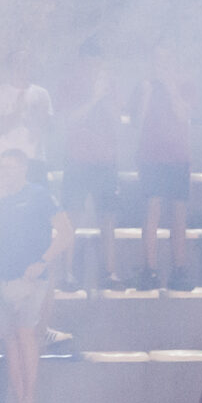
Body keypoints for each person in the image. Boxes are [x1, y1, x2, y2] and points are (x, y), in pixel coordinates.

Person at [0, 149, 72, 403]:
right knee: (10, 341)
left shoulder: (39, 195)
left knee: (25, 335)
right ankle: (20, 402)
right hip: (3, 278)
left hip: (31, 279)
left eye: (10, 167)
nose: (5, 173)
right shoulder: (2, 200)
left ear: (23, 168)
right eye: (2, 168)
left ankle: (29, 401)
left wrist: (42, 262)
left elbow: (66, 233)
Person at [130, 38, 196, 290]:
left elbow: (183, 115)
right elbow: (136, 122)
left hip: (178, 156)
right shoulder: (144, 86)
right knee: (152, 211)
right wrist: (147, 94)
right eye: (157, 59)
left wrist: (170, 87)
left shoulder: (185, 84)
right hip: (150, 156)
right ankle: (150, 269)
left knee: (178, 213)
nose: (161, 64)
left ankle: (179, 269)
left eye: (166, 59)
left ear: (174, 61)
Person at [58, 39, 122, 292]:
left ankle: (110, 273)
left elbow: (117, 120)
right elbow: (70, 120)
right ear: (80, 63)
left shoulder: (110, 87)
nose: (93, 69)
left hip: (106, 162)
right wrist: (94, 98)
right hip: (77, 160)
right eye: (89, 64)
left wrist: (104, 96)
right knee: (71, 217)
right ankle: (67, 273)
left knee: (108, 219)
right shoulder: (69, 85)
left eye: (97, 65)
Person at [0, 50, 53, 162]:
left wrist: (35, 116)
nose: (21, 66)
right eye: (17, 62)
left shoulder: (42, 93)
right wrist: (18, 111)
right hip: (7, 158)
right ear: (10, 67)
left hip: (35, 158)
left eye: (26, 62)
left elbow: (47, 128)